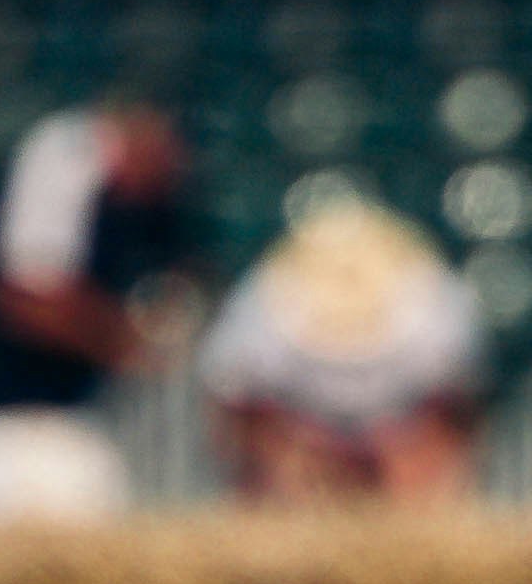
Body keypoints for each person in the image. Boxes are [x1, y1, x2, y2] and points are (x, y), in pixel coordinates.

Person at [0, 100, 198, 414]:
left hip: (54, 400)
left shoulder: (149, 207)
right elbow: (29, 299)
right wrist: (133, 346)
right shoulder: (69, 152)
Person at [197, 188, 486, 499]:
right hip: (295, 442)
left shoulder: (434, 303)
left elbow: (454, 408)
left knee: (424, 459)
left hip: (404, 442)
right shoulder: (262, 302)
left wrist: (394, 442)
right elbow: (238, 402)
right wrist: (300, 440)